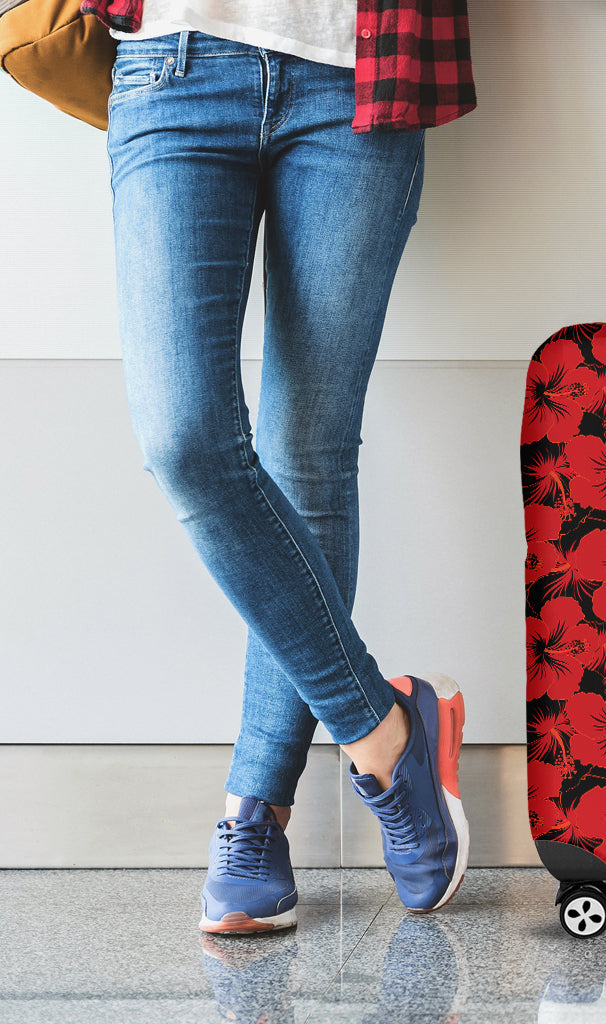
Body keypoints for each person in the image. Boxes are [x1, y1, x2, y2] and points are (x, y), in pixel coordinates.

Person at [85, 0, 476, 933]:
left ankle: (255, 814)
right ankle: (386, 730)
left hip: (358, 78)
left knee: (307, 456)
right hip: (173, 69)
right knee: (184, 441)